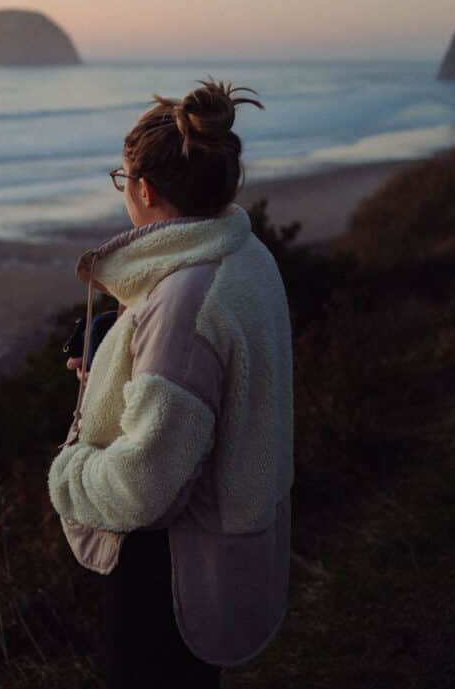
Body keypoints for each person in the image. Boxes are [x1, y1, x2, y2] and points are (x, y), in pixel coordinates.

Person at [47, 78, 293, 688]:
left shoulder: (185, 301)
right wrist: (115, 359)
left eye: (122, 180)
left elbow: (144, 483)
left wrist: (67, 475)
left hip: (168, 571)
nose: (123, 192)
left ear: (145, 189)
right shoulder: (245, 256)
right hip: (223, 549)